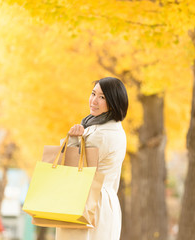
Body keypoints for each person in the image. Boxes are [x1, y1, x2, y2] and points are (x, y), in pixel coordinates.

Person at [55, 77, 128, 240]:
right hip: (106, 204)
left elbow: (71, 171)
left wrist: (73, 140)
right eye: (93, 93)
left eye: (102, 97)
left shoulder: (100, 135)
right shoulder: (116, 130)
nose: (94, 101)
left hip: (85, 204)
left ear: (114, 102)